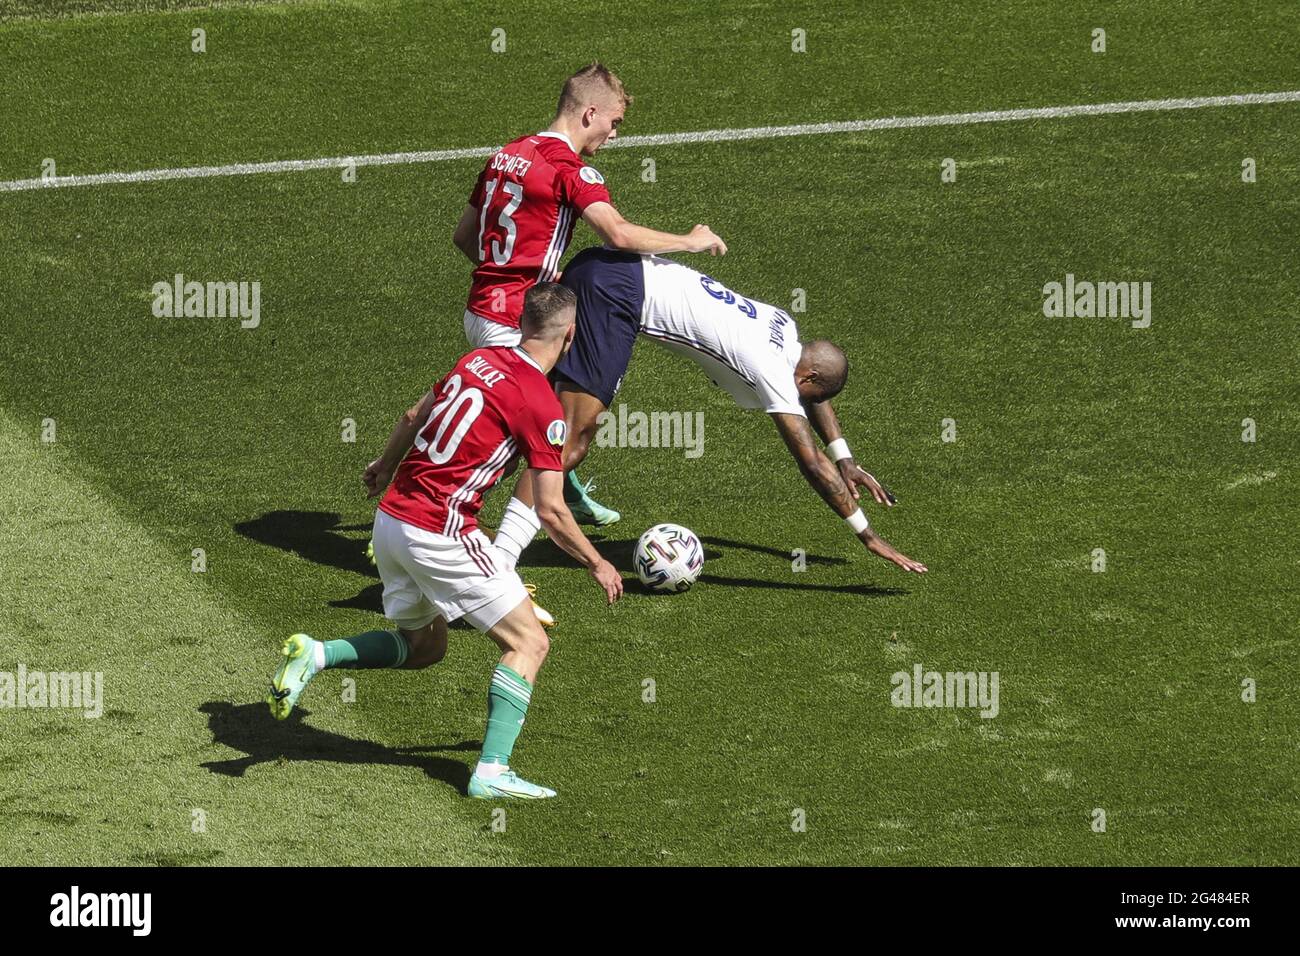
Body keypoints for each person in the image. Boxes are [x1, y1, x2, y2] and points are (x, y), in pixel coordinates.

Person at [268, 283, 622, 799]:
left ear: (522, 324)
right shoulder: (542, 405)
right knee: (529, 643)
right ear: (570, 335)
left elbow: (415, 415)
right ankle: (492, 771)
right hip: (441, 531)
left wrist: (383, 465)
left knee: (425, 646)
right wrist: (597, 562)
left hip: (390, 524)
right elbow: (549, 507)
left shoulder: (477, 359)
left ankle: (316, 655)